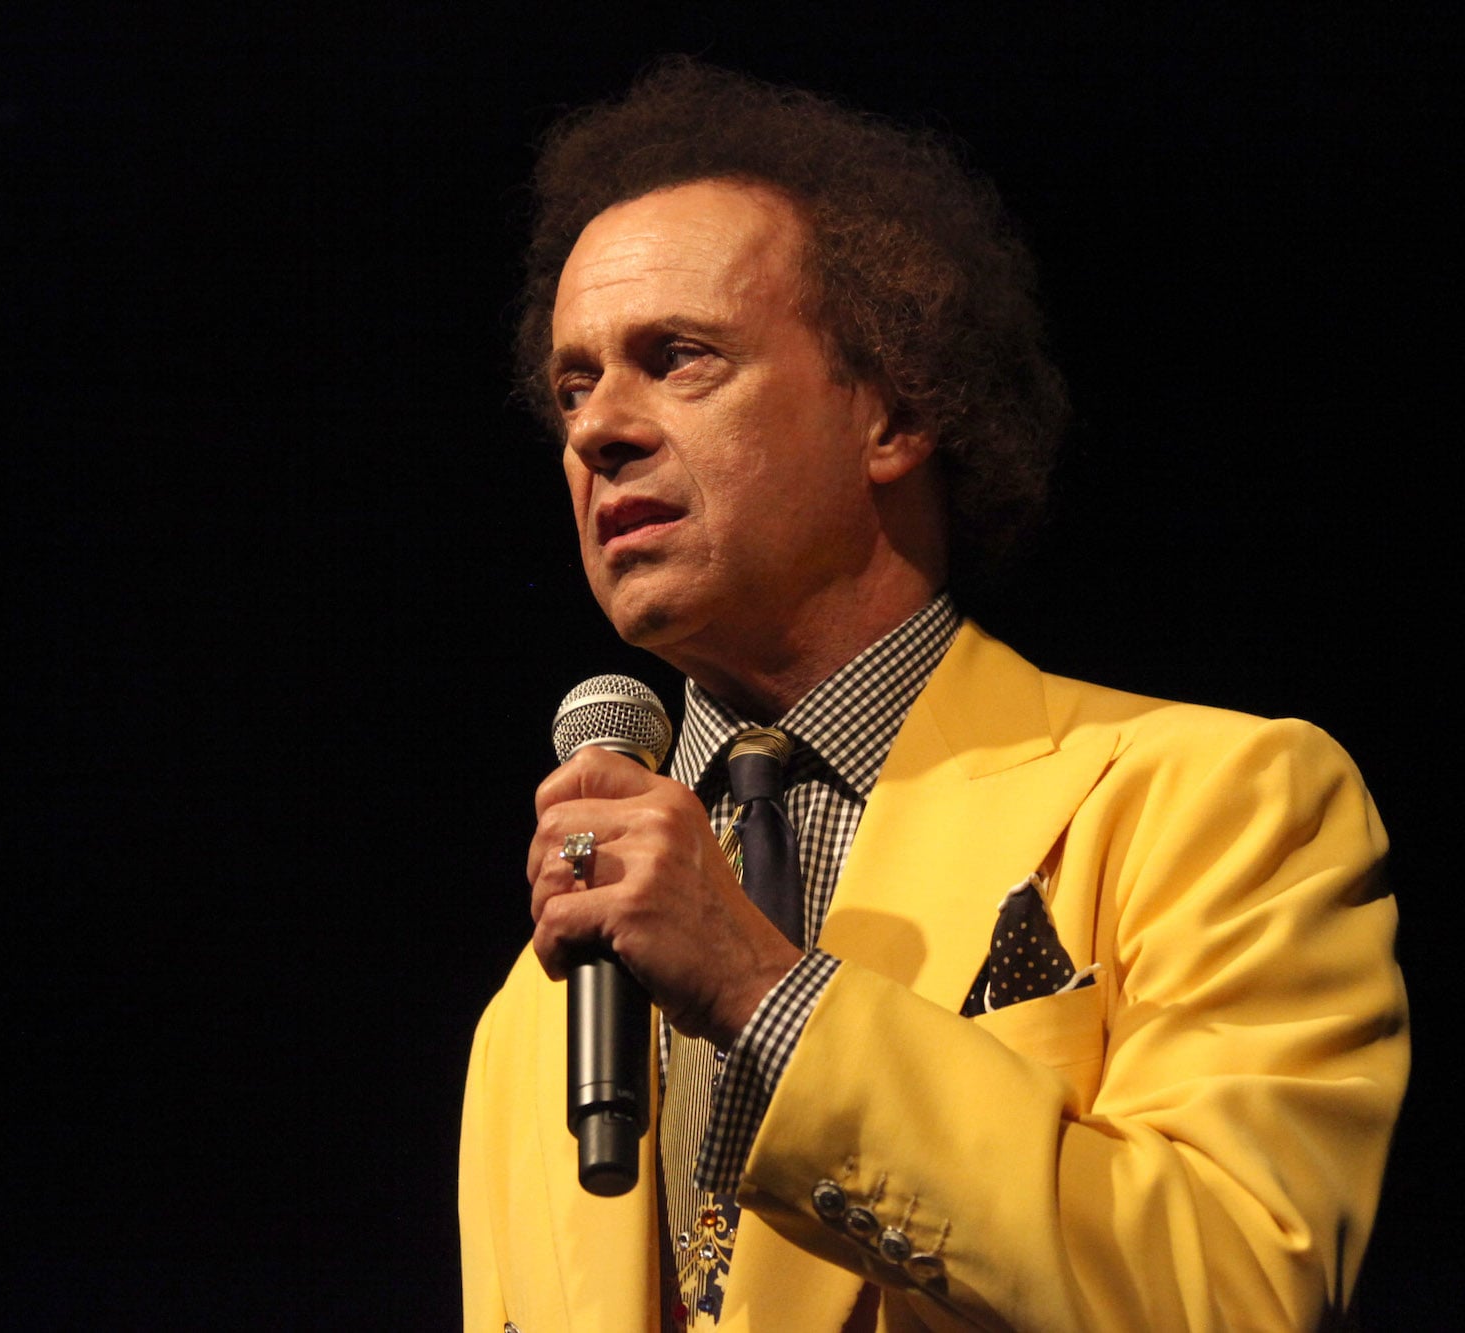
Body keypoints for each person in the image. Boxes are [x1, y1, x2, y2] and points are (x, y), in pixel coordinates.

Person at [458, 59, 1408, 1332]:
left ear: (895, 412)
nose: (594, 431)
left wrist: (760, 991)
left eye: (676, 358)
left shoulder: (1218, 799)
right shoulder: (535, 1014)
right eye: (573, 385)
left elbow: (1236, 1288)